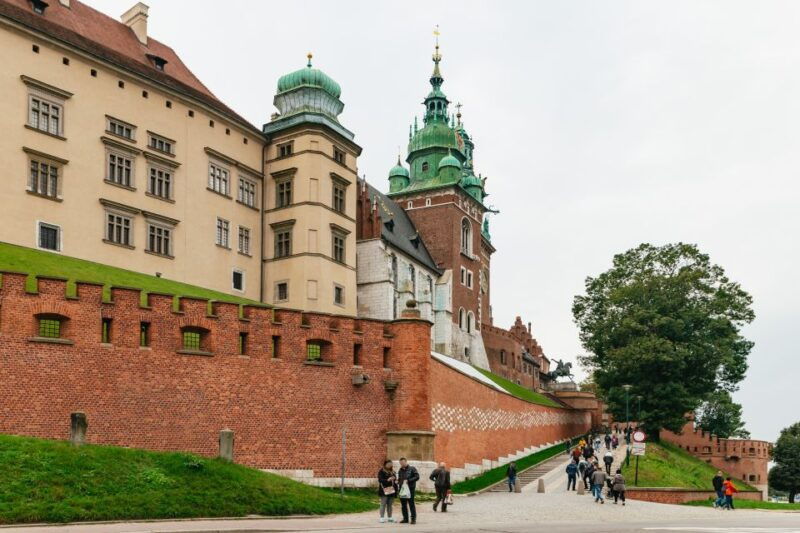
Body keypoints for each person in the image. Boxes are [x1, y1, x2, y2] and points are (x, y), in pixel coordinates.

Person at [398, 457, 419, 524]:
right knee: (403, 505)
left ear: (406, 462)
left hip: (410, 489)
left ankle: (413, 519)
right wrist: (397, 481)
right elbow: (399, 479)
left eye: (403, 463)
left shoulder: (412, 469)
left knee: (411, 504)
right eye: (401, 463)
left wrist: (409, 480)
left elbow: (417, 477)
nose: (402, 464)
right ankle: (405, 518)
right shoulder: (400, 470)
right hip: (402, 489)